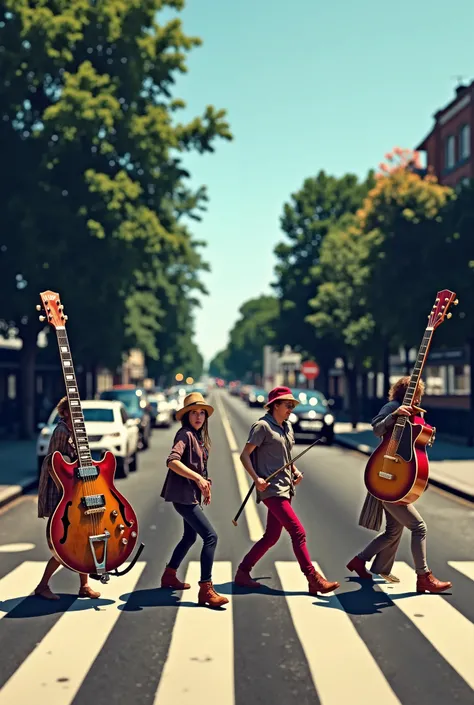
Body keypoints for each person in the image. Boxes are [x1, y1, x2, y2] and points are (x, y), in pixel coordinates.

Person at [346, 376, 453, 593]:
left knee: (393, 531)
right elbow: (376, 428)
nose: (417, 399)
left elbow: (414, 447)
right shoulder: (393, 407)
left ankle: (360, 561)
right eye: (414, 395)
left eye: (418, 396)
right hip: (387, 477)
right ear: (404, 393)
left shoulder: (415, 413)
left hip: (400, 478)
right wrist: (394, 416)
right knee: (419, 527)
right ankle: (423, 576)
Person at [234, 386, 340, 595]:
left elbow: (286, 457)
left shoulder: (287, 427)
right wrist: (257, 479)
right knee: (298, 532)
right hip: (271, 489)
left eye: (292, 405)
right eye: (287, 405)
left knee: (271, 536)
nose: (291, 408)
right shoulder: (262, 427)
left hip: (286, 487)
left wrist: (295, 470)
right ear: (275, 405)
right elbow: (244, 455)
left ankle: (242, 572)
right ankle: (313, 578)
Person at [160, 391, 228, 608]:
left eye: (202, 413)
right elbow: (172, 461)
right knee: (211, 537)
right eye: (194, 413)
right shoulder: (185, 435)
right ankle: (206, 589)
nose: (198, 417)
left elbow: (198, 466)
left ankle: (169, 575)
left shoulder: (197, 436)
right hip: (183, 497)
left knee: (190, 536)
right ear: (186, 416)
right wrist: (198, 478)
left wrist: (204, 484)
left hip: (190, 495)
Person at [35, 396, 100, 600]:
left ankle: (84, 586)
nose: (79, 416)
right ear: (64, 413)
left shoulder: (75, 432)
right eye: (74, 412)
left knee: (84, 535)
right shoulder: (61, 431)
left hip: (76, 491)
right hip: (62, 494)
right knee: (65, 544)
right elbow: (54, 461)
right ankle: (42, 585)